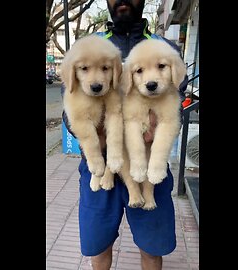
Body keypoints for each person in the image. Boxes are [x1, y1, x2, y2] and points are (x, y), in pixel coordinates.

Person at [61, 1, 188, 269]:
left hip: (149, 163)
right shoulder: (91, 46)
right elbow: (69, 107)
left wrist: (153, 130)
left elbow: (176, 103)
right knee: (98, 247)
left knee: (153, 249)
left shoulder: (163, 48)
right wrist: (96, 131)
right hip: (100, 165)